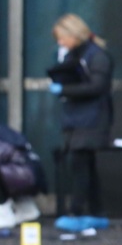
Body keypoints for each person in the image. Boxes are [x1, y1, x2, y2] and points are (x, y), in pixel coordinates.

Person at [48, 13, 114, 232]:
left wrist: (65, 89)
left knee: (80, 164)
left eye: (62, 38)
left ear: (73, 34)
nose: (60, 43)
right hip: (76, 118)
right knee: (86, 165)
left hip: (92, 119)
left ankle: (77, 211)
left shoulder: (97, 56)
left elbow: (97, 86)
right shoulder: (72, 56)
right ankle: (96, 210)